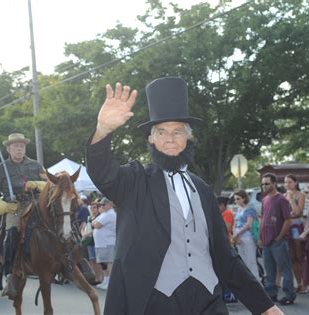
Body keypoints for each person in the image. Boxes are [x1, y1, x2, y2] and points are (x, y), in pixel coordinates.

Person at [86, 78, 281, 314]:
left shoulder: (202, 189)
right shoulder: (135, 181)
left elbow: (225, 257)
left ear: (188, 137)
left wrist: (265, 306)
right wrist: (103, 131)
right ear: (151, 138)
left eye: (177, 131)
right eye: (161, 131)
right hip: (155, 302)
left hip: (208, 300)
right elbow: (102, 173)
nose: (170, 138)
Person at [0, 133, 47, 300]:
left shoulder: (36, 166)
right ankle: (9, 274)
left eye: (22, 146)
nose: (19, 148)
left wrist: (37, 184)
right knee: (12, 232)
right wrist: (3, 206)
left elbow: (50, 185)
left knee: (55, 225)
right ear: (8, 149)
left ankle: (64, 263)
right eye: (15, 146)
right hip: (14, 208)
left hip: (35, 204)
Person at [260, 173, 296, 305]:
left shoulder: (282, 199)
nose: (264, 186)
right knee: (269, 270)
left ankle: (289, 295)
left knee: (284, 268)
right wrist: (260, 237)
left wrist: (280, 236)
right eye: (263, 184)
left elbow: (287, 219)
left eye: (267, 183)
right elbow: (262, 220)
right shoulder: (264, 200)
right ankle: (271, 294)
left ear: (274, 183)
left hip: (278, 241)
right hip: (266, 241)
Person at [284, 174, 307, 294]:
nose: (287, 184)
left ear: (295, 182)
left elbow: (298, 212)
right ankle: (298, 283)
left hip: (297, 227)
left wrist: (292, 200)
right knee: (292, 257)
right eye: (285, 182)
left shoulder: (300, 195)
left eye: (289, 182)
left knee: (300, 256)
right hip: (287, 227)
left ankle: (305, 283)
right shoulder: (283, 196)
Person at [232, 190, 260, 281]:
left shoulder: (250, 209)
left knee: (251, 260)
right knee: (243, 261)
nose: (236, 201)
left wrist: (238, 234)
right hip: (239, 236)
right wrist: (235, 235)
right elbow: (235, 223)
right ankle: (247, 281)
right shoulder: (238, 210)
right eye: (235, 199)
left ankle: (256, 281)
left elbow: (248, 224)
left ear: (244, 198)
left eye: (238, 199)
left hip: (247, 236)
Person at [92, 197, 116, 290]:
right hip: (101, 243)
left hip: (107, 243)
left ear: (109, 204)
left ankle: (109, 282)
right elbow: (93, 221)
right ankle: (105, 281)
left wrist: (95, 223)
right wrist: (94, 222)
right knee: (103, 264)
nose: (102, 206)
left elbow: (97, 224)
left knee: (108, 262)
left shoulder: (110, 214)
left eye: (103, 205)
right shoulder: (105, 214)